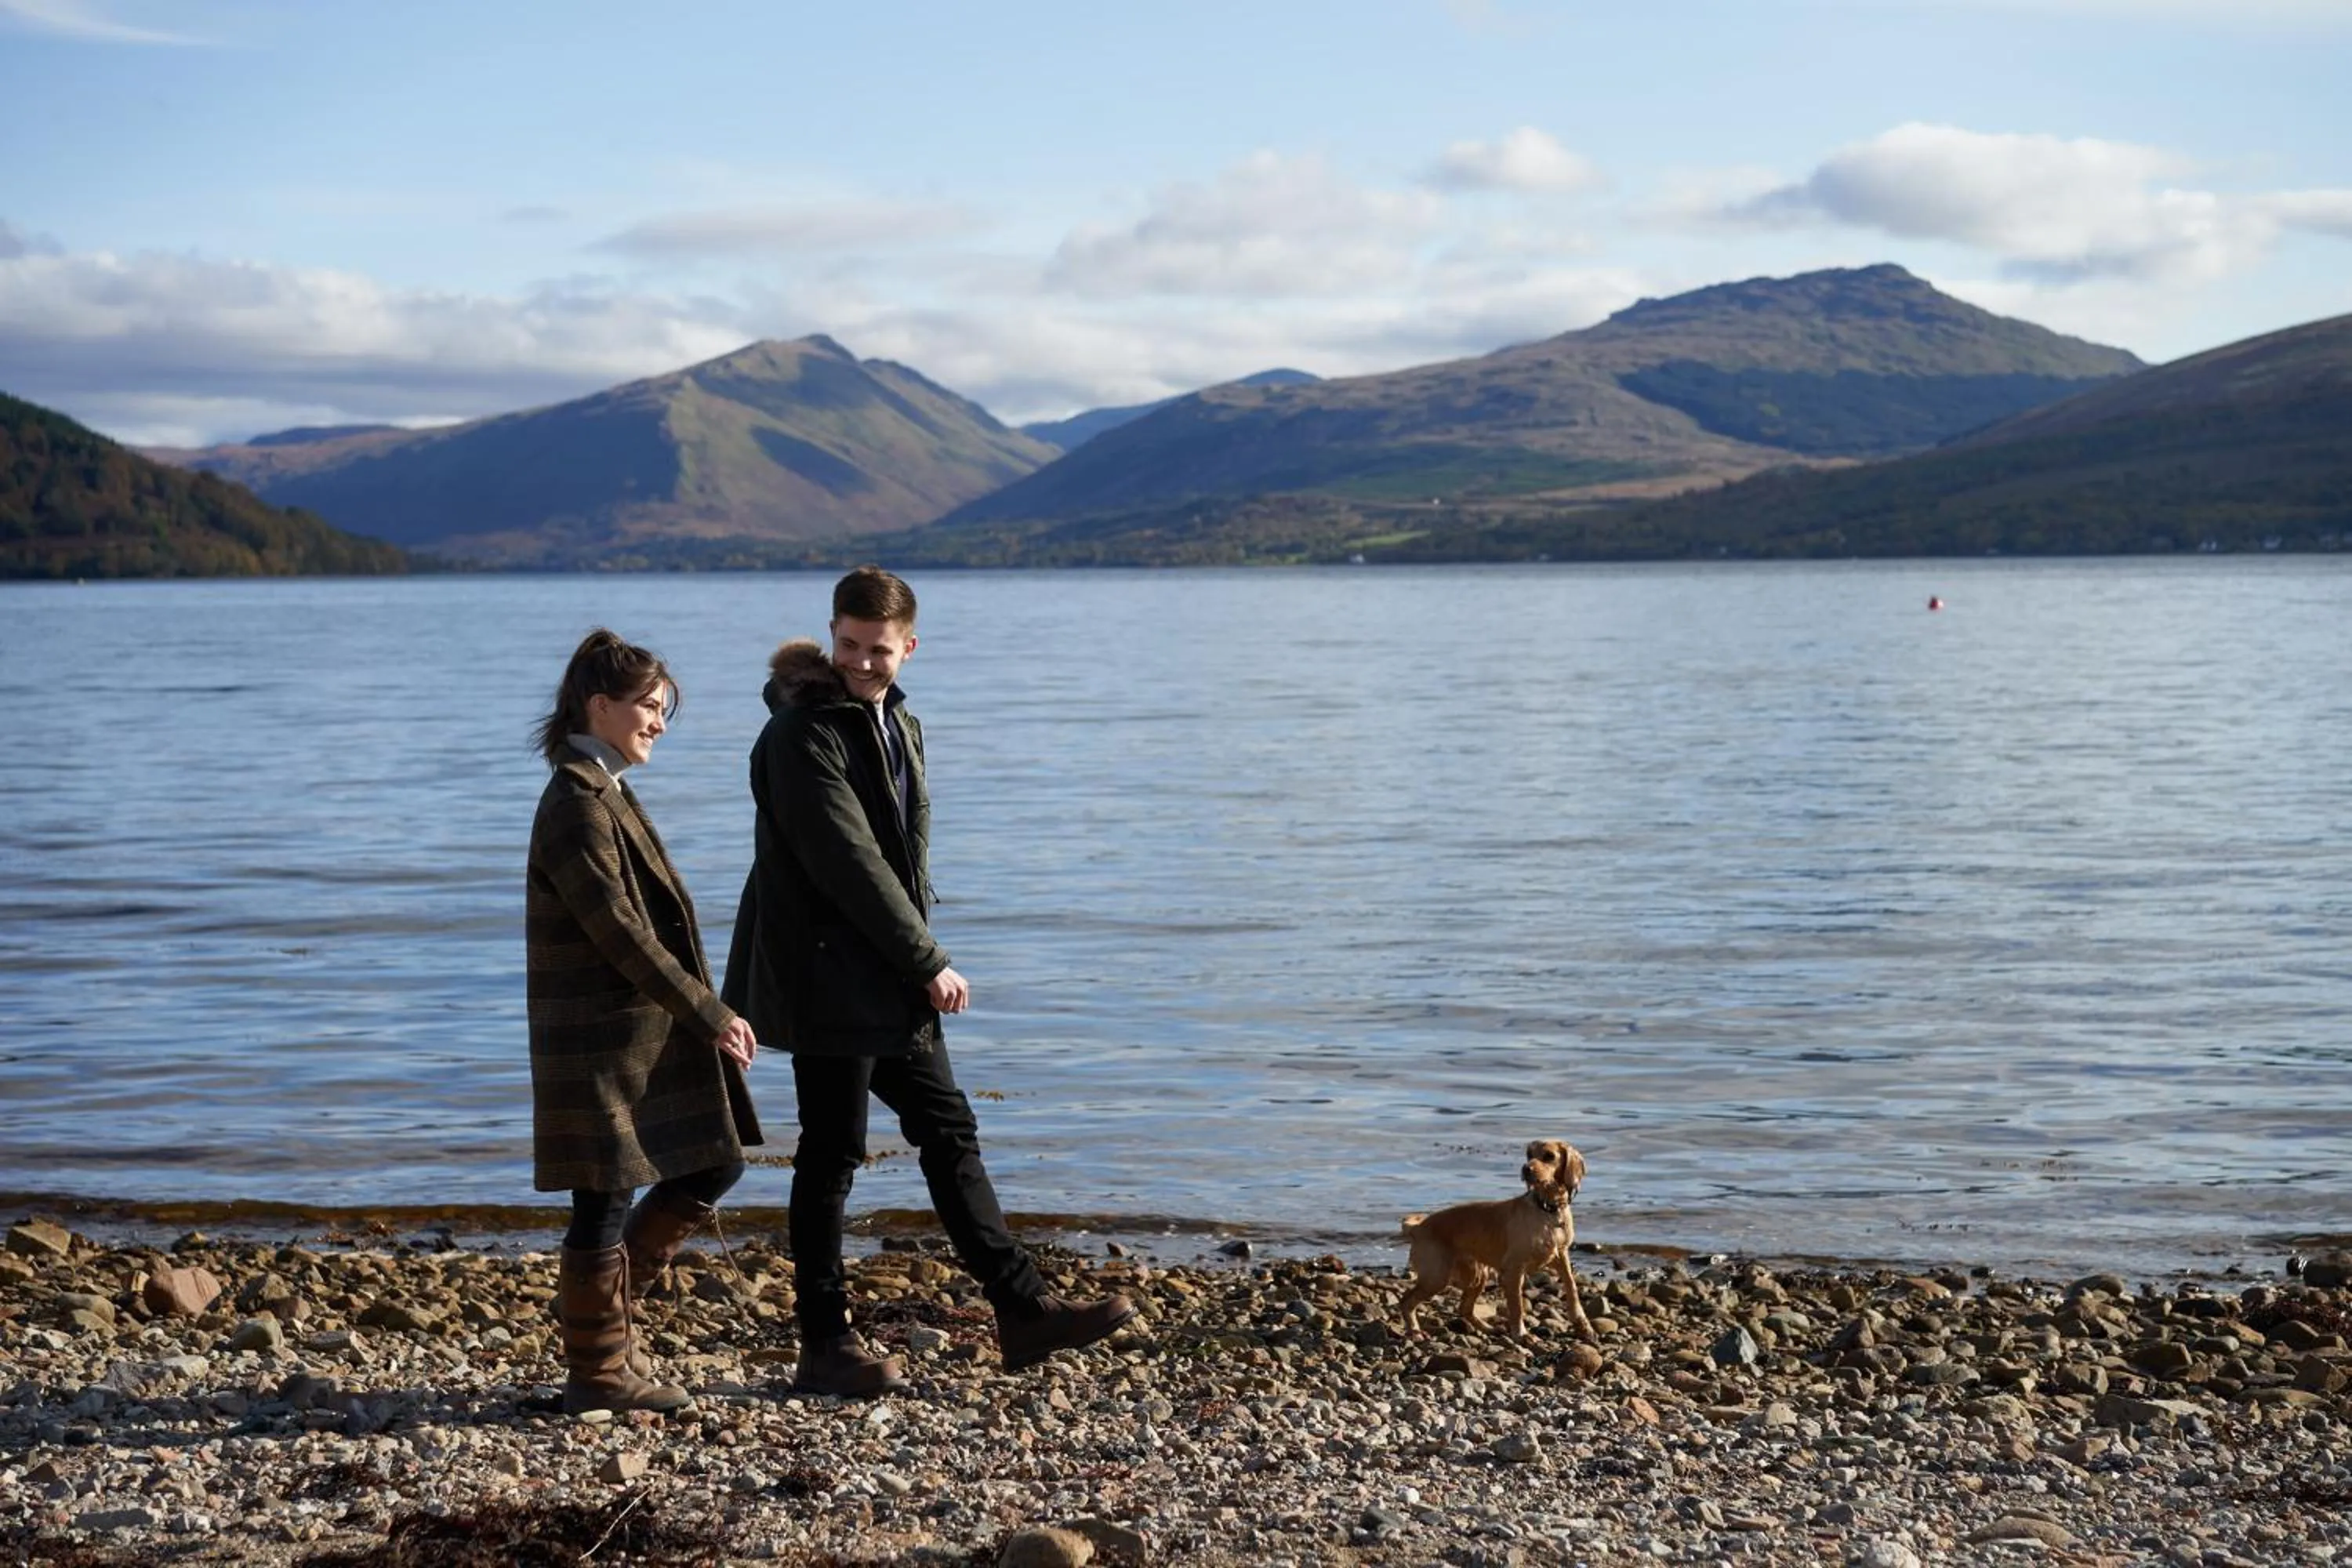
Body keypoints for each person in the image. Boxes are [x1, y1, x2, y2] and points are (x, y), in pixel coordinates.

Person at [723, 566, 1132, 1398]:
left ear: (910, 646)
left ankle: (1023, 1312)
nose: (863, 662)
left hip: (886, 973)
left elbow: (904, 857)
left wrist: (912, 958)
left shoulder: (896, 720)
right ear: (830, 633)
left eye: (879, 649)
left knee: (950, 1129)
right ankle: (824, 1343)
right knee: (832, 1154)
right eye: (848, 645)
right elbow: (849, 863)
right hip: (830, 975)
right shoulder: (802, 734)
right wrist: (928, 959)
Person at [527, 628, 762, 1415]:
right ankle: (597, 1368)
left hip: (635, 1035)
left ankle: (608, 1330)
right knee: (606, 1195)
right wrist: (709, 1009)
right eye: (648, 707)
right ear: (600, 705)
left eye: (665, 710)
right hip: (601, 1039)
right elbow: (620, 930)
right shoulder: (575, 802)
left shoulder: (603, 791)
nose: (659, 722)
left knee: (711, 1160)